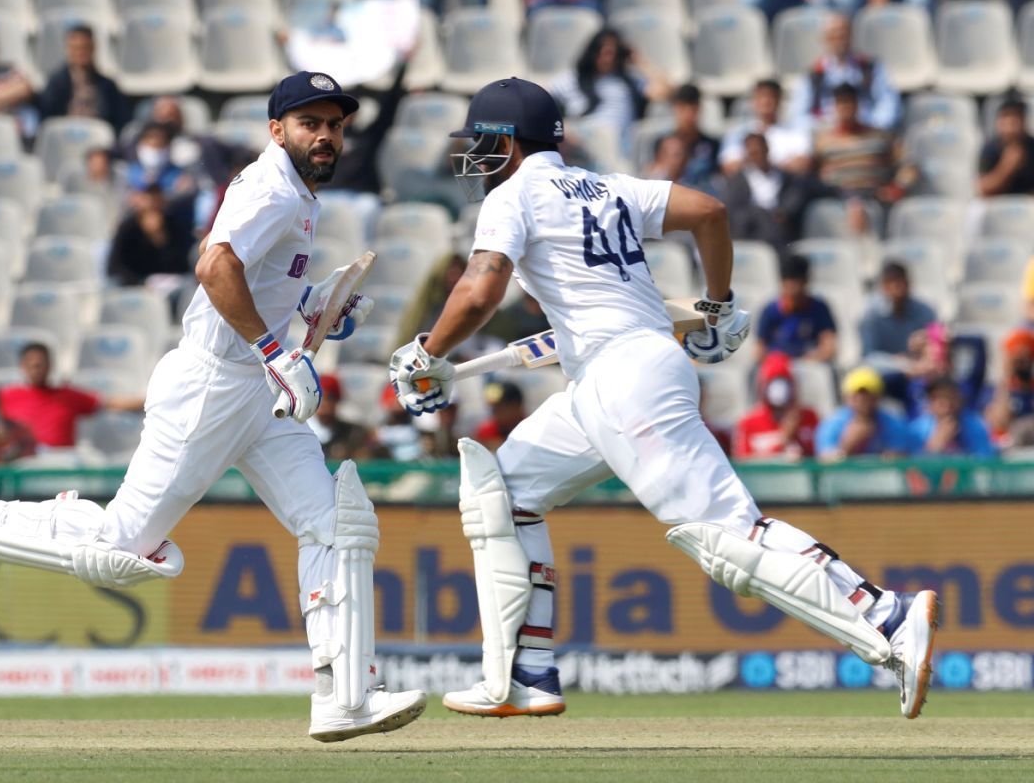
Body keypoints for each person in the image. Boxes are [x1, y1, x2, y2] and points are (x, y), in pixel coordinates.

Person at [387, 76, 937, 721]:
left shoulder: (514, 195)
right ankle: (524, 674)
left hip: (625, 381)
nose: (475, 155)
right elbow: (709, 211)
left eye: (482, 141)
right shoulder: (609, 184)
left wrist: (428, 353)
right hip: (608, 377)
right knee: (502, 496)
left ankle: (886, 615)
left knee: (725, 537)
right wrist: (720, 301)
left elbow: (480, 290)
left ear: (507, 141)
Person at [0, 71, 425, 742]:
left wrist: (314, 303)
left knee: (333, 523)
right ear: (277, 130)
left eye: (333, 124)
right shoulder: (270, 186)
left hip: (255, 393)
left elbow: (258, 277)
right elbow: (215, 268)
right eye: (310, 124)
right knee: (120, 549)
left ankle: (343, 693)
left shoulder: (298, 197)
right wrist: (277, 351)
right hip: (213, 386)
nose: (325, 136)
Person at [812, 84, 916, 235]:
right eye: (841, 103)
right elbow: (812, 171)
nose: (845, 108)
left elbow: (909, 166)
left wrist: (898, 186)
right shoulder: (822, 141)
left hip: (875, 196)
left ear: (857, 105)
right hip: (837, 196)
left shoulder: (881, 136)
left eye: (849, 103)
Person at [0, 342, 142, 449]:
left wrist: (152, 402)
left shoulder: (68, 396)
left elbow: (109, 403)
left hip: (61, 462)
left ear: (49, 365)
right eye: (31, 365)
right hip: (22, 462)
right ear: (22, 366)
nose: (36, 369)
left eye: (40, 364)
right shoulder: (6, 397)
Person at [789, 12, 900, 132]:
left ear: (851, 36)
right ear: (824, 39)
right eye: (833, 36)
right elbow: (798, 115)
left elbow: (888, 103)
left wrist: (871, 127)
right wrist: (825, 129)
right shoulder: (813, 74)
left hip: (866, 132)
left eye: (843, 35)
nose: (839, 41)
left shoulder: (871, 67)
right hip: (828, 135)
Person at [549, 29, 667, 130]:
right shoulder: (572, 79)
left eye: (612, 53)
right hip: (582, 145)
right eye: (602, 51)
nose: (607, 58)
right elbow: (540, 96)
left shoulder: (629, 80)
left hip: (621, 148)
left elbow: (664, 93)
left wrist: (639, 61)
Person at [718, 132, 811, 255]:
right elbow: (733, 210)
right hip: (750, 232)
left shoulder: (787, 178)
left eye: (759, 151)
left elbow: (793, 201)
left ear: (767, 149)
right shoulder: (736, 182)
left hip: (781, 230)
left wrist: (782, 212)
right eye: (753, 153)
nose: (757, 156)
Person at [38, 25, 128, 134]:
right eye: (75, 48)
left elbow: (119, 120)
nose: (80, 53)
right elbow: (47, 118)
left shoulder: (108, 86)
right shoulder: (57, 83)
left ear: (93, 48)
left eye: (84, 48)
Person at [733, 352, 820, 461]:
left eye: (785, 381)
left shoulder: (809, 417)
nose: (780, 388)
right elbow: (743, 464)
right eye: (773, 382)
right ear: (763, 386)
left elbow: (818, 457)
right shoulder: (748, 423)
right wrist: (783, 439)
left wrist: (795, 436)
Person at [754, 254, 838, 365]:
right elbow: (759, 351)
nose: (793, 294)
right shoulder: (770, 311)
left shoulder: (819, 309)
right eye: (789, 288)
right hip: (778, 367)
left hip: (810, 366)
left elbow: (829, 347)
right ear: (782, 285)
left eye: (798, 288)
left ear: (806, 283)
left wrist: (809, 360)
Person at [106, 185, 195, 287]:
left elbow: (181, 262)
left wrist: (159, 237)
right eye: (148, 198)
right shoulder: (128, 227)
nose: (153, 204)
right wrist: (140, 282)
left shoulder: (173, 224)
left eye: (156, 199)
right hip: (136, 284)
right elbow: (115, 266)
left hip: (169, 284)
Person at [815, 366, 911, 460]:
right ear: (846, 398)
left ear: (878, 397)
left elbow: (900, 457)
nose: (862, 401)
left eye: (868, 396)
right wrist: (848, 444)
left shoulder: (892, 424)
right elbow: (825, 461)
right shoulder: (832, 424)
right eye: (856, 396)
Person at [720, 80, 811, 177]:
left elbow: (802, 164)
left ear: (780, 99)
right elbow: (730, 166)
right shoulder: (737, 132)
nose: (766, 101)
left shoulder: (795, 132)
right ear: (753, 100)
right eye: (761, 96)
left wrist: (759, 164)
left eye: (771, 96)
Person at [859, 260, 937, 371]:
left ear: (909, 283)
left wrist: (924, 349)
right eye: (891, 281)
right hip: (885, 376)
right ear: (883, 286)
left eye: (901, 281)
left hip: (921, 373)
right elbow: (869, 356)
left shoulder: (925, 312)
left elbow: (936, 351)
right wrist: (899, 363)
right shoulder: (871, 315)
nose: (897, 287)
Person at [909, 376, 997, 458]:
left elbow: (985, 461)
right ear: (930, 402)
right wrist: (934, 447)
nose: (947, 404)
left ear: (959, 399)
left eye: (950, 397)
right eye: (939, 398)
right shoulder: (917, 430)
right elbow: (910, 467)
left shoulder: (976, 426)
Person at [662, 84, 721, 190]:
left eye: (693, 108)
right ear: (675, 109)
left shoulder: (713, 145)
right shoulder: (663, 144)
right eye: (683, 108)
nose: (688, 114)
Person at [977, 95, 1034, 198]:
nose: (1011, 127)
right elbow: (984, 190)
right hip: (997, 206)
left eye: (1016, 120)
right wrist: (1007, 166)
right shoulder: (990, 148)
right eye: (1006, 118)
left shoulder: (1031, 146)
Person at [309, 374, 375, 461]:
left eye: (330, 398)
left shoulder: (353, 433)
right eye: (319, 398)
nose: (324, 404)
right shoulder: (300, 431)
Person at [986, 328, 1034, 448]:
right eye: (1017, 358)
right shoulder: (995, 389)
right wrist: (1006, 377)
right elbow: (1000, 422)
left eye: (1026, 357)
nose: (1022, 363)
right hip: (1007, 448)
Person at [474, 380, 527, 452]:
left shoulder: (531, 428)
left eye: (500, 408)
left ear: (516, 406)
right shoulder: (486, 431)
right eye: (493, 409)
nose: (496, 414)